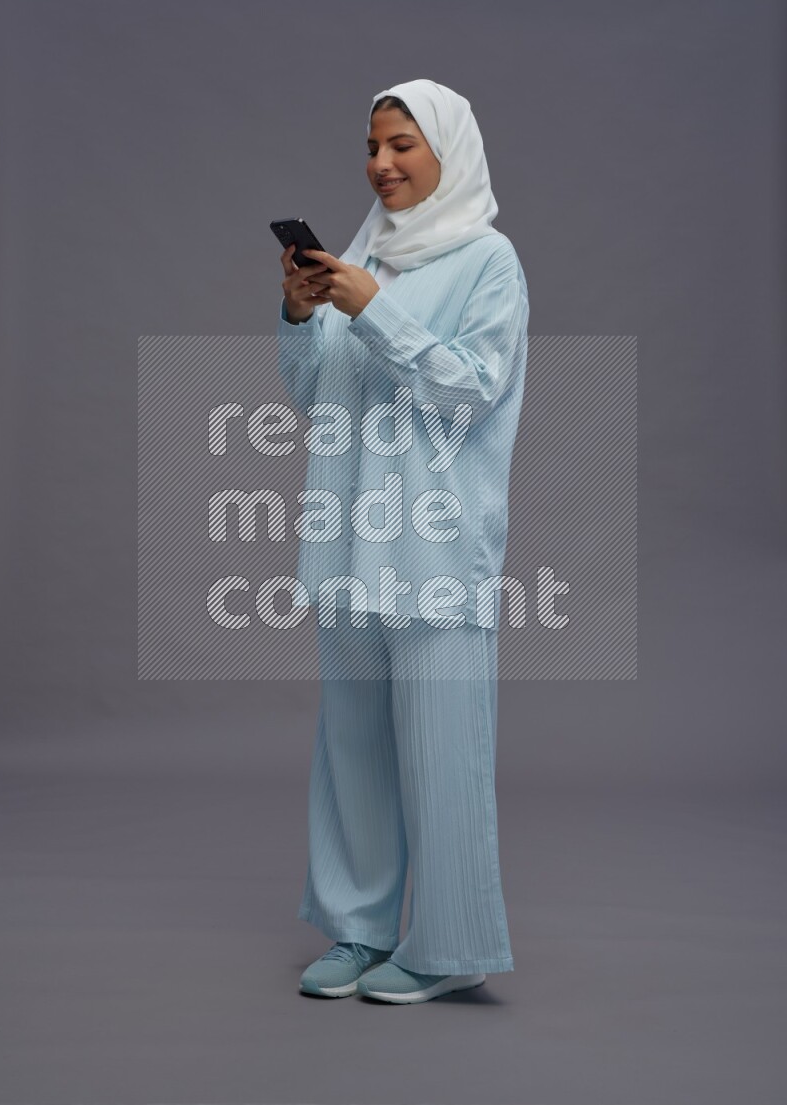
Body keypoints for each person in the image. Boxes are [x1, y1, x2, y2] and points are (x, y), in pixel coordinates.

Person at [276, 79, 530, 1004]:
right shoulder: (360, 255)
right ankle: (359, 928)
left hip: (435, 550)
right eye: (372, 147)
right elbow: (315, 398)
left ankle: (450, 946)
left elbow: (472, 389)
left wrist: (375, 309)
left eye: (401, 145)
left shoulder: (489, 262)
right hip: (349, 543)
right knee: (354, 751)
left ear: (447, 152)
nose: (380, 164)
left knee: (442, 751)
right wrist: (302, 315)